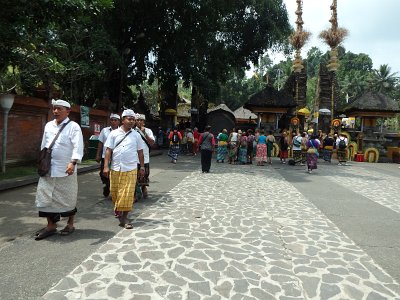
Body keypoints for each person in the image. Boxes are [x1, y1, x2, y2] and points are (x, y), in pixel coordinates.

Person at [34, 99, 84, 240]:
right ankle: (51, 225)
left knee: (68, 196)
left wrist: (73, 162)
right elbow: (44, 145)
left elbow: (78, 146)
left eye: (59, 109)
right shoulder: (49, 125)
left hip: (66, 168)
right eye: (54, 109)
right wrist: (41, 160)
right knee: (44, 195)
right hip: (48, 168)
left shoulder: (74, 126)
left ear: (68, 111)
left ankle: (70, 223)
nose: (55, 111)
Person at [103, 109, 145, 229]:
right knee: (115, 192)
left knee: (127, 193)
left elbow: (140, 152)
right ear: (123, 120)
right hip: (115, 168)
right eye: (129, 119)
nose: (131, 121)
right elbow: (108, 150)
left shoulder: (136, 135)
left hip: (130, 168)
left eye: (133, 119)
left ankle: (125, 218)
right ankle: (119, 210)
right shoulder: (113, 134)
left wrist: (141, 167)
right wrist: (106, 166)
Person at [95, 113, 120, 197]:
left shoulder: (121, 131)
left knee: (114, 173)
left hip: (116, 157)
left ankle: (110, 187)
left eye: (115, 120)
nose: (113, 122)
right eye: (112, 120)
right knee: (103, 173)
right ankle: (108, 185)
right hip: (104, 156)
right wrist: (98, 154)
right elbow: (100, 143)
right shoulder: (104, 130)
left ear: (119, 122)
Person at [135, 114, 155, 199]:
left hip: (145, 157)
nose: (139, 122)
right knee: (134, 176)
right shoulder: (132, 131)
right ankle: (135, 193)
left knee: (145, 175)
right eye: (138, 120)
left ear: (144, 122)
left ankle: (143, 187)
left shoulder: (148, 131)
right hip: (134, 158)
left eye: (141, 120)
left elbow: (152, 143)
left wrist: (144, 133)